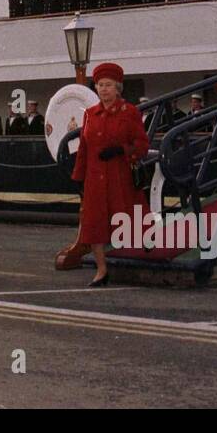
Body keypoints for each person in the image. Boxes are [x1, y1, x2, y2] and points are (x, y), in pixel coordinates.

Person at [55, 62, 149, 284]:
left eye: (108, 85)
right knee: (94, 225)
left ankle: (129, 262)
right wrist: (79, 177)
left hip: (119, 176)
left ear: (117, 88)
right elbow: (84, 149)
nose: (104, 89)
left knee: (124, 220)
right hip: (95, 178)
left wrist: (122, 150)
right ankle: (101, 269)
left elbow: (142, 145)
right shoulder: (90, 114)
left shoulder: (130, 113)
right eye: (100, 85)